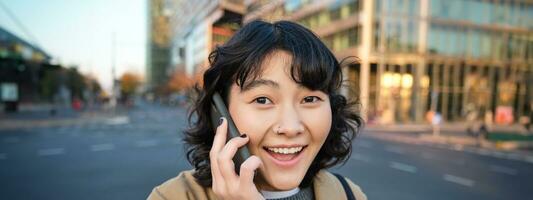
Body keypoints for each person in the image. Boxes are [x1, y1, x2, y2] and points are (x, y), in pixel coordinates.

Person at [148, 20, 366, 200]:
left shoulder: (348, 194)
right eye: (262, 100)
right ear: (219, 113)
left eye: (310, 98)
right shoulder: (172, 197)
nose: (290, 128)